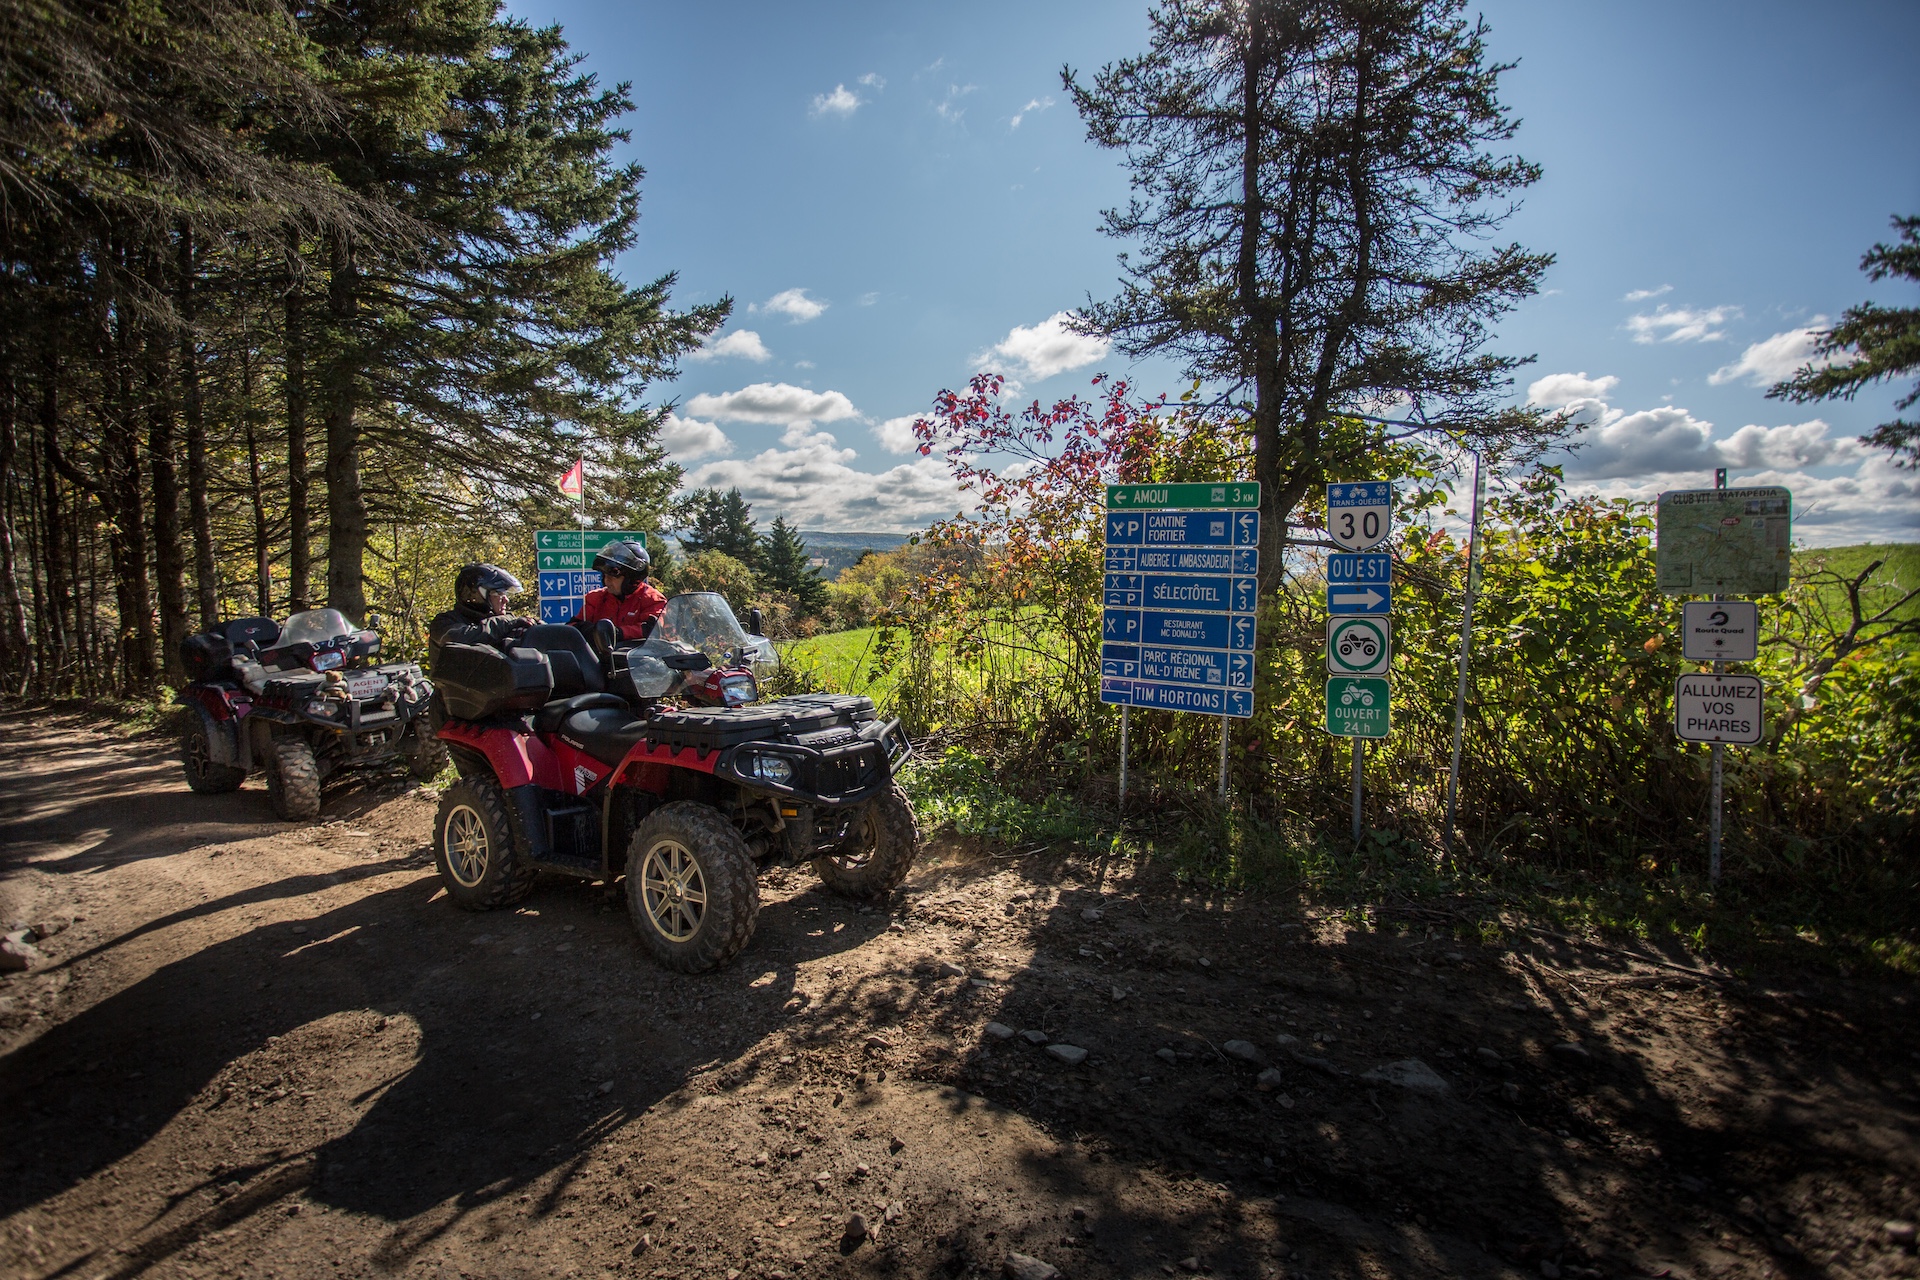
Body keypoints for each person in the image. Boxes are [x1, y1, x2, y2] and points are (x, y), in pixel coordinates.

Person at [427, 563, 533, 668]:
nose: (506, 599)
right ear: (475, 594)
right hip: (457, 684)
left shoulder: (506, 623)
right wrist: (506, 623)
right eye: (498, 593)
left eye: (505, 594)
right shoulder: (443, 623)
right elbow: (466, 639)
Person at [573, 539, 667, 642]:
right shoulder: (595, 598)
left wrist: (618, 633)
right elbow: (571, 627)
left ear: (631, 578)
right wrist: (586, 629)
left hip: (636, 656)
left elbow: (653, 629)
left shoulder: (652, 600)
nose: (606, 580)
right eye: (604, 575)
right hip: (599, 656)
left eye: (613, 576)